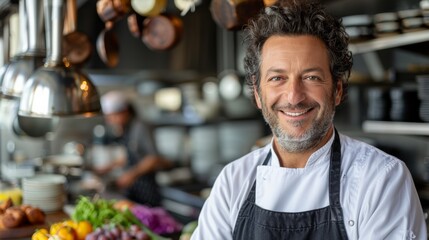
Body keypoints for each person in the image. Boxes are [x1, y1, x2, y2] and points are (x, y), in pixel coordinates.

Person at [191, 1, 427, 239]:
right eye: (277, 78)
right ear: (257, 94)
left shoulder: (380, 179)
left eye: (311, 77)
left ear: (337, 90)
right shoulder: (233, 182)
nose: (294, 96)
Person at [96, 90, 172, 207]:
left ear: (125, 112)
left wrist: (132, 174)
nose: (110, 121)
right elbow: (132, 155)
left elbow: (153, 158)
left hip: (147, 190)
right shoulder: (127, 129)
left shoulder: (141, 127)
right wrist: (110, 166)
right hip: (134, 189)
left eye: (113, 116)